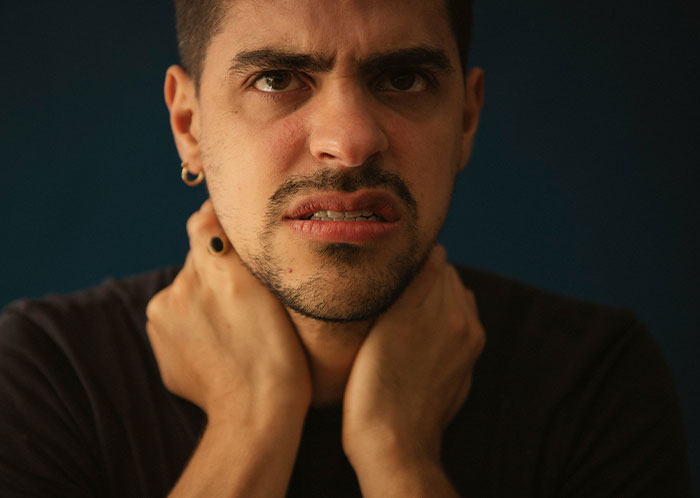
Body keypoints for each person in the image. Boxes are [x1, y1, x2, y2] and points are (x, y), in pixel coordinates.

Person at [0, 0, 690, 496]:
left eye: (403, 78)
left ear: (466, 119)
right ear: (189, 125)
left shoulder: (592, 380)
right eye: (276, 79)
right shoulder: (47, 375)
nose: (351, 140)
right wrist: (250, 421)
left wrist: (398, 457)